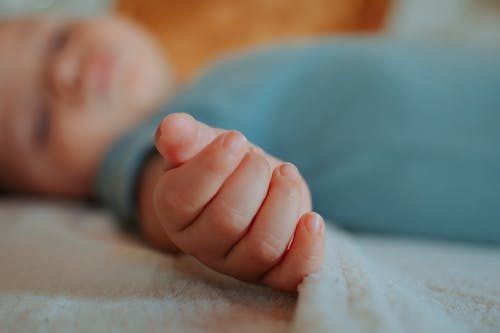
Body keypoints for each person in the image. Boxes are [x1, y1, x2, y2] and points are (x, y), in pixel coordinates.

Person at [1, 15, 500, 292]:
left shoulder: (212, 74)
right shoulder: (146, 147)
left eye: (56, 40)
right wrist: (191, 203)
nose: (64, 70)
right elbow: (162, 187)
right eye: (41, 125)